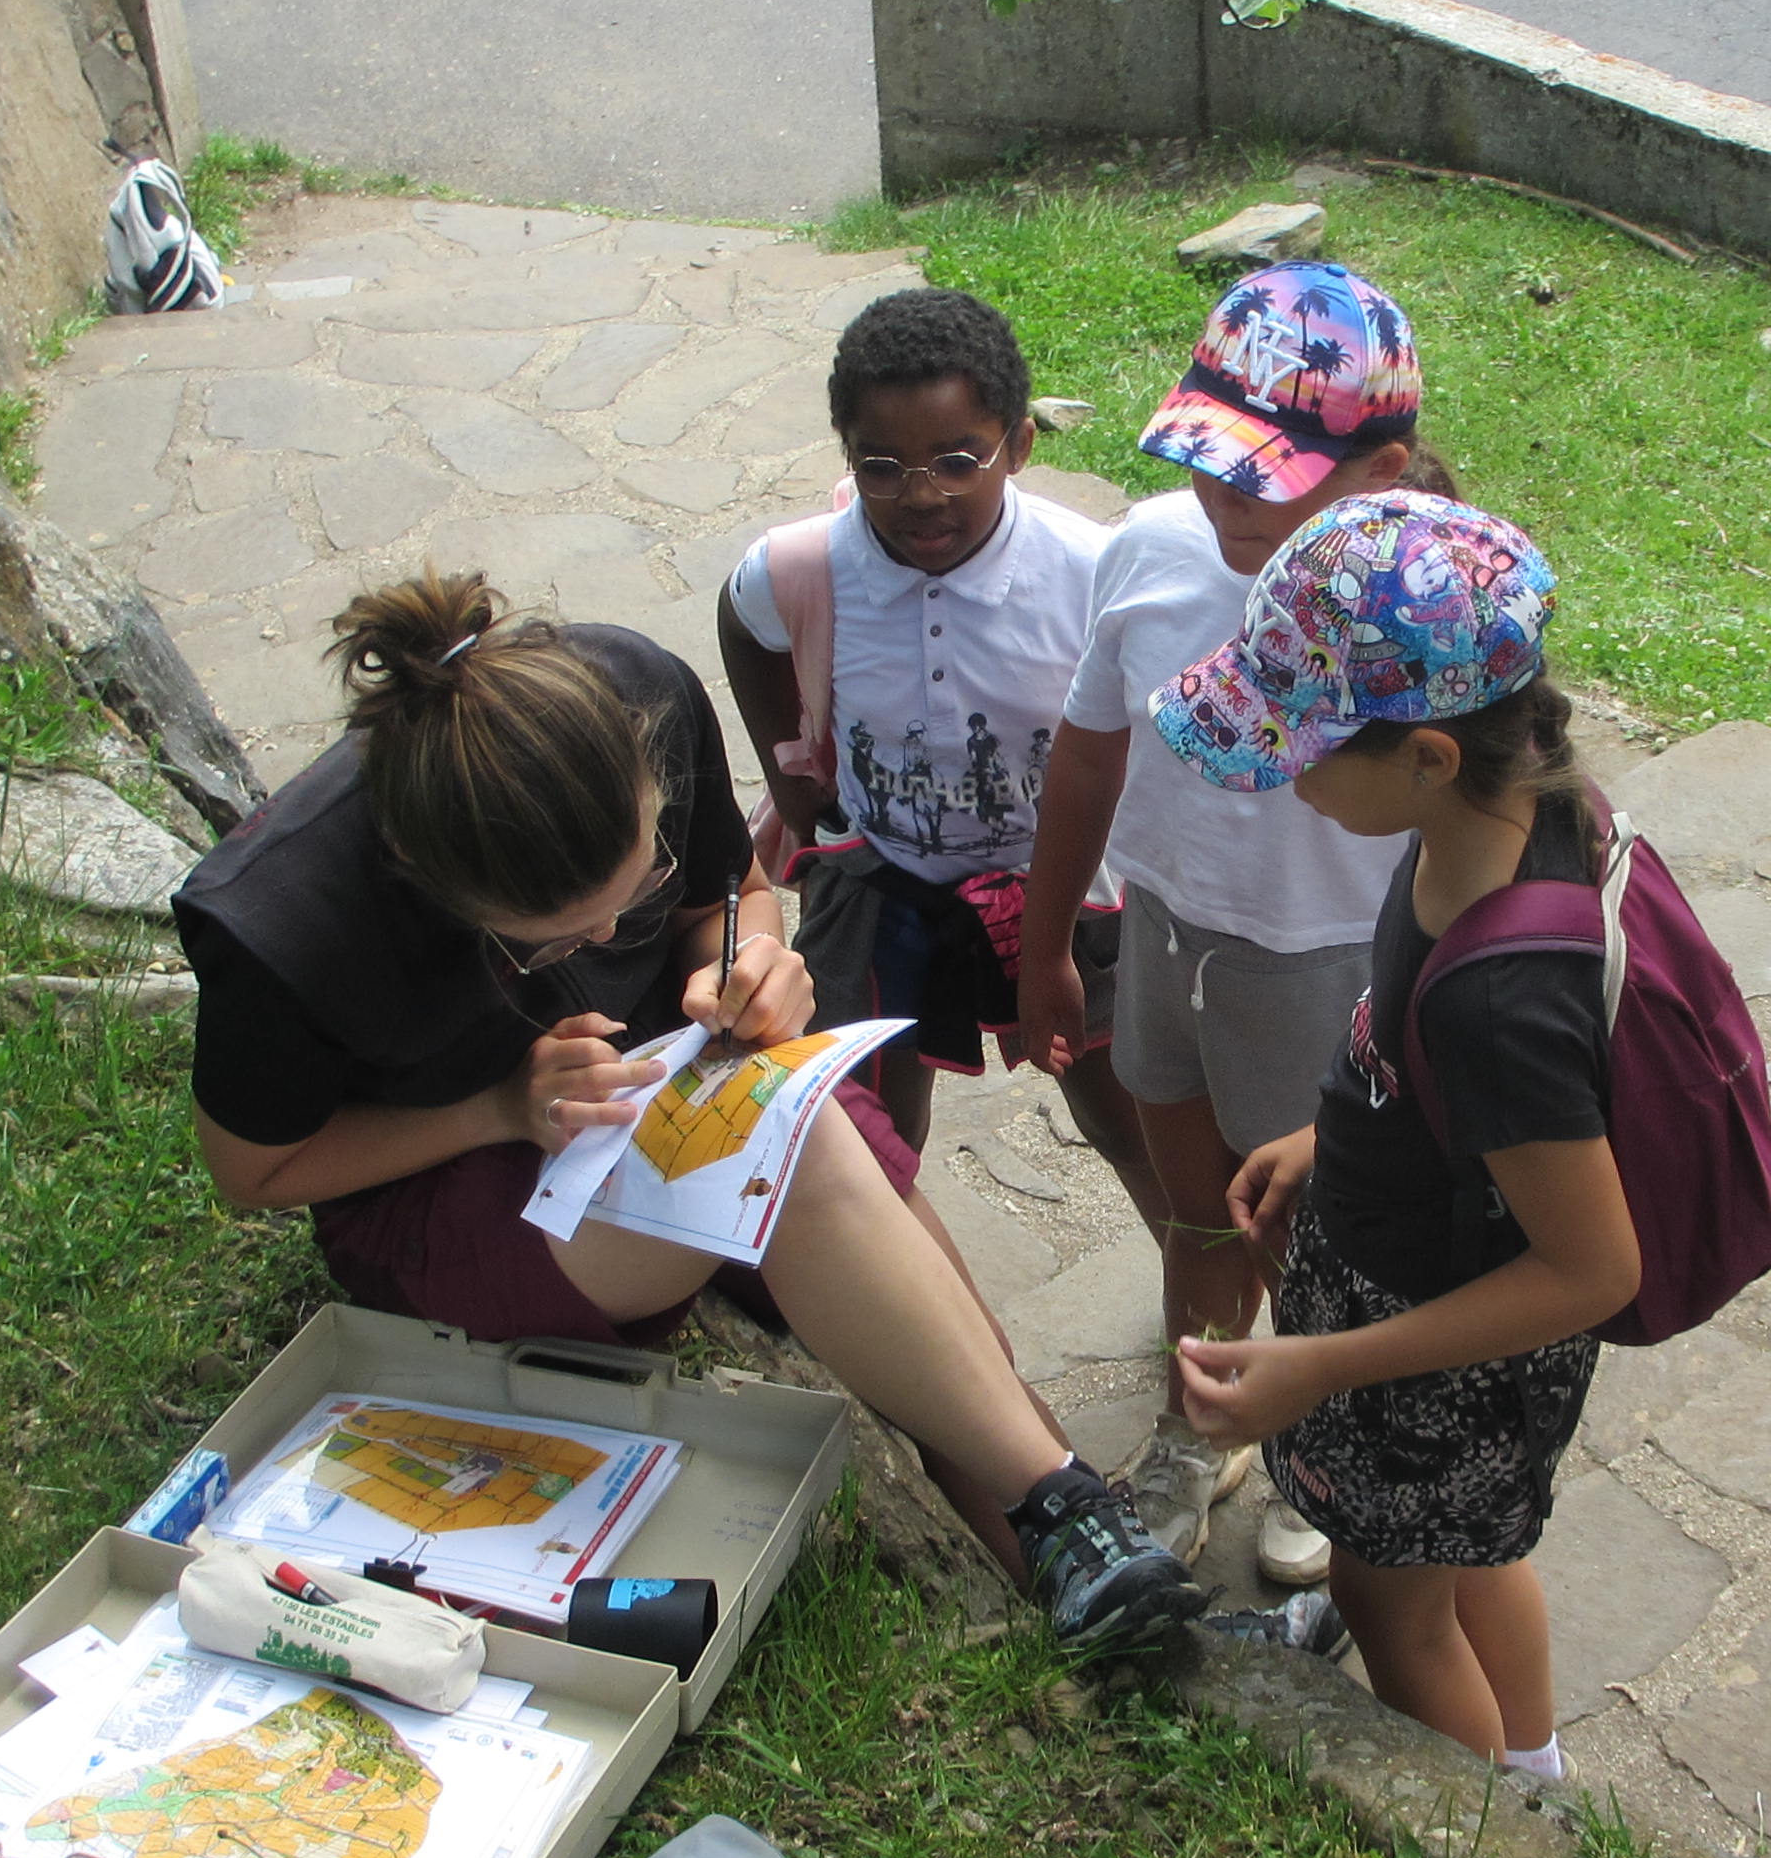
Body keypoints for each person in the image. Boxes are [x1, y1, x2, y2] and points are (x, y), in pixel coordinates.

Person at [172, 574, 1206, 1650]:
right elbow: (255, 1169)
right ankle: (1070, 1514)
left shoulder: (638, 692)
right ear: (437, 896)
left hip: (666, 1081)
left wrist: (744, 964)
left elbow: (732, 896)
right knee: (806, 1165)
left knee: (950, 1345)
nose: (610, 940)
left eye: (638, 886)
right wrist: (498, 1109)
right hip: (456, 1176)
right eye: (560, 941)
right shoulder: (283, 921)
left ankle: (1077, 1567)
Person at [1156, 496, 1634, 1774]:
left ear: (1426, 755)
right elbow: (1428, 1042)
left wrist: (1324, 1366)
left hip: (1434, 1357)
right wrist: (1328, 1136)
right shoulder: (1513, 808)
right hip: (1406, 1281)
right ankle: (1530, 1769)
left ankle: (1480, 1836)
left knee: (1391, 1605)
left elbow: (1593, 1269)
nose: (1289, 780)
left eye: (1303, 752)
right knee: (1469, 1561)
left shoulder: (1503, 999)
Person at [1015, 263, 1437, 1578]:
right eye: (1207, 460)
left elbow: (1473, 830)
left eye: (1263, 476)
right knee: (1196, 1210)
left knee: (1325, 1229)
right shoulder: (1150, 549)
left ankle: (1325, 1436)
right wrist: (1045, 942)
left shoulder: (1422, 607)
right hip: (1164, 933)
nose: (1220, 498)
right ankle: (1203, 1424)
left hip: (1331, 966)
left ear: (1383, 470)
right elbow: (1088, 749)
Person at [714, 289, 1159, 1253]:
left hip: (1069, 893)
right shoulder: (805, 568)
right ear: (848, 456)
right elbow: (742, 621)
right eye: (882, 466)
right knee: (867, 1130)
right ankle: (896, 1291)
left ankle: (1200, 1304)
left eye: (960, 460)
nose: (922, 495)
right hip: (886, 879)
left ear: (1020, 445)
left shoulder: (1091, 572)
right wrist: (791, 776)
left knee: (1129, 1120)